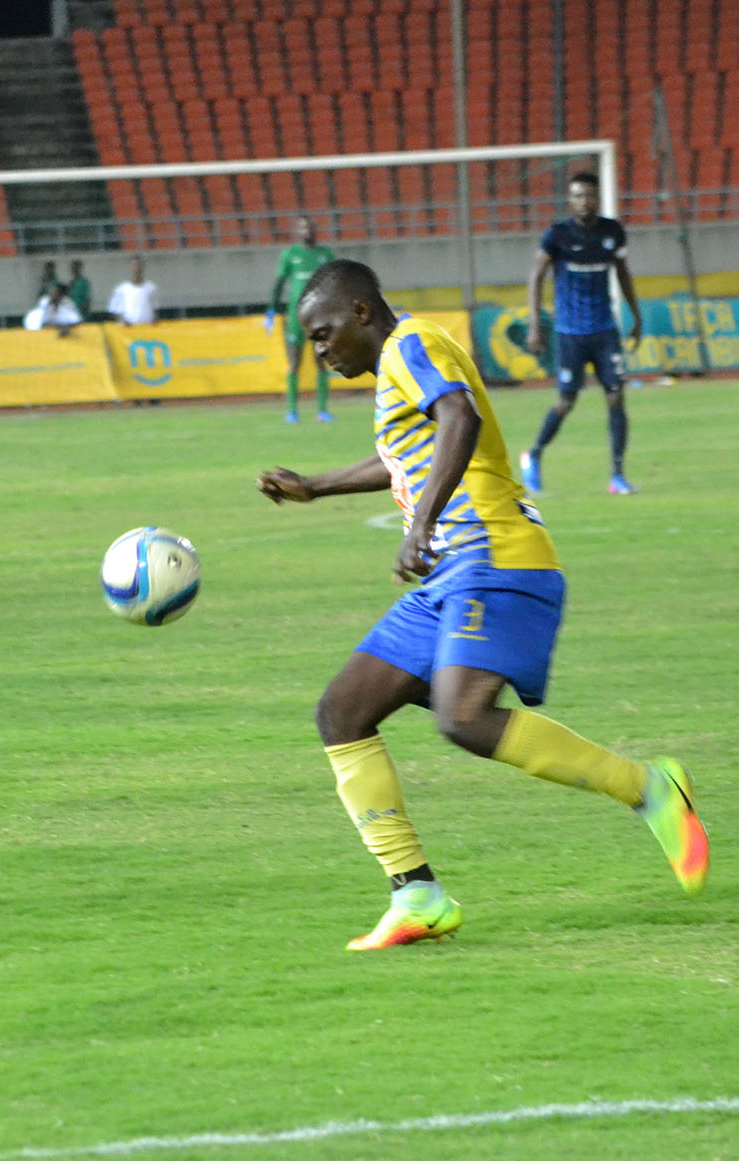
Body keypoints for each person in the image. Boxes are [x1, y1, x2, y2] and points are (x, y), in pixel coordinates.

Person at [256, 259, 706, 951]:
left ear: (360, 312)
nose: (319, 352)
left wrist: (420, 523)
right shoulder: (398, 368)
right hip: (453, 573)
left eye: (322, 334)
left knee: (462, 717)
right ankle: (417, 894)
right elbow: (406, 457)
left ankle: (649, 788)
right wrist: (315, 486)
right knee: (342, 712)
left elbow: (458, 418)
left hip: (494, 554)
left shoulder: (412, 344)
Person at [522, 172, 643, 495]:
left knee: (616, 397)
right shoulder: (558, 235)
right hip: (570, 333)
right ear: (570, 200)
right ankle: (533, 455)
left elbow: (623, 273)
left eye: (589, 195)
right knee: (566, 402)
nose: (584, 201)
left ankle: (617, 475)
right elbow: (536, 277)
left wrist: (636, 314)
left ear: (598, 198)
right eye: (578, 196)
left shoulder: (612, 232)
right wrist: (535, 326)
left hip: (605, 331)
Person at [266, 216, 335, 424]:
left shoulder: (325, 254)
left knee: (321, 361)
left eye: (310, 227)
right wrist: (271, 310)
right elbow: (279, 283)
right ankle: (292, 411)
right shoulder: (290, 255)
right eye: (303, 228)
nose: (307, 231)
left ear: (315, 231)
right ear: (298, 232)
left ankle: (322, 411)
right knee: (294, 362)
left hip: (319, 317)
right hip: (296, 317)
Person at [106, 256, 158, 326]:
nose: (137, 268)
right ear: (130, 268)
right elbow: (114, 310)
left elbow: (155, 308)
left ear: (143, 267)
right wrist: (122, 321)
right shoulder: (121, 288)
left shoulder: (151, 287)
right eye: (134, 265)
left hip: (147, 328)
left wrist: (154, 320)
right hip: (129, 329)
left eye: (139, 265)